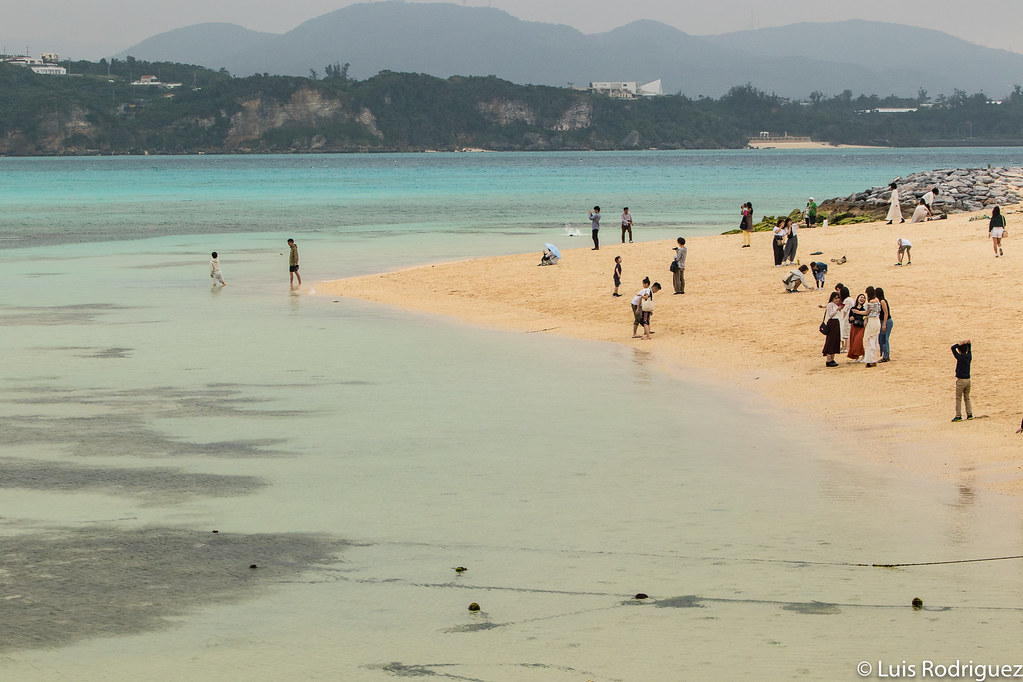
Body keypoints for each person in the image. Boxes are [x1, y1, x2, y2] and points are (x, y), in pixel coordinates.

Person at [951, 340, 973, 422]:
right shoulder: (969, 356)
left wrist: (959, 344)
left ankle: (958, 415)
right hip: (968, 380)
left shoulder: (960, 357)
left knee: (958, 398)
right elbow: (969, 350)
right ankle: (969, 414)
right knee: (967, 398)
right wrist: (968, 344)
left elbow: (953, 348)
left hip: (961, 380)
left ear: (959, 350)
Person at [821, 291, 843, 367]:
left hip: (836, 322)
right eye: (836, 298)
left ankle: (832, 359)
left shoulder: (835, 305)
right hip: (832, 323)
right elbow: (830, 315)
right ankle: (828, 360)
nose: (837, 300)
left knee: (835, 340)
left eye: (838, 298)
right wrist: (837, 309)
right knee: (830, 340)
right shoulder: (830, 305)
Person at [863, 286, 882, 367]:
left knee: (870, 341)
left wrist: (856, 311)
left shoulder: (871, 301)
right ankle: (873, 359)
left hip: (872, 321)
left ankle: (870, 360)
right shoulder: (878, 300)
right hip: (877, 320)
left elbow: (867, 312)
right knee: (874, 341)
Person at [846, 293, 867, 361]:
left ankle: (863, 355)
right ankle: (856, 356)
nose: (862, 299)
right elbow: (849, 318)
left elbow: (865, 317)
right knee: (853, 341)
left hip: (861, 327)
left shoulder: (864, 309)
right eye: (861, 297)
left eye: (864, 298)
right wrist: (850, 318)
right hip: (854, 326)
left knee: (858, 341)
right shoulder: (852, 309)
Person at [876, 286, 892, 362]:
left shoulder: (882, 301)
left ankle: (886, 356)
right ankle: (885, 354)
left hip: (886, 321)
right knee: (882, 339)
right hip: (883, 321)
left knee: (885, 339)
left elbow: (886, 313)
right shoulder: (880, 302)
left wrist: (884, 324)